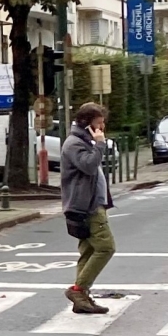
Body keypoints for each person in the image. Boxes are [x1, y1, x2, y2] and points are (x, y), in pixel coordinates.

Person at [60, 101, 115, 315]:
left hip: (89, 204)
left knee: (89, 251)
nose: (102, 129)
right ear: (87, 124)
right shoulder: (74, 143)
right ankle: (78, 290)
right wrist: (100, 144)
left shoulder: (83, 141)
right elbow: (89, 166)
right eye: (99, 124)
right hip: (86, 207)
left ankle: (82, 299)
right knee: (106, 248)